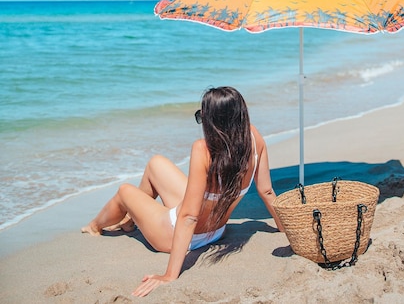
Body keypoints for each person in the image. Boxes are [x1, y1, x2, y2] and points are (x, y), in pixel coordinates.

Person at [82, 86, 283, 298]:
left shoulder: (203, 150)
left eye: (202, 117)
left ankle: (94, 226)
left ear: (213, 121)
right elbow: (267, 191)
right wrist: (285, 228)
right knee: (155, 164)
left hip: (174, 235)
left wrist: (170, 275)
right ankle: (130, 222)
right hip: (215, 231)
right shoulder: (253, 138)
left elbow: (188, 217)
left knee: (124, 191)